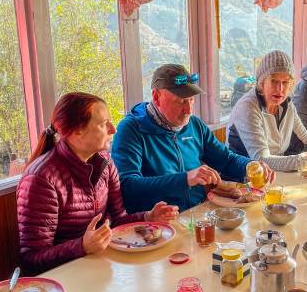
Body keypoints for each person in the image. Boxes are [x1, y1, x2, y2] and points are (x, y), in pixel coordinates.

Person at [17, 92, 179, 275]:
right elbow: (31, 260)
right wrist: (82, 246)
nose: (113, 129)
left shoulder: (105, 162)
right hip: (67, 278)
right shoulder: (41, 179)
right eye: (103, 124)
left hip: (104, 267)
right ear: (77, 131)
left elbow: (117, 220)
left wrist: (147, 217)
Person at [112, 64, 274, 212]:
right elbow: (128, 187)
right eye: (181, 101)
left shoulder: (195, 125)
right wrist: (186, 179)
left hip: (198, 213)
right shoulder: (131, 129)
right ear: (156, 97)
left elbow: (226, 160)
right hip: (156, 223)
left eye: (191, 100)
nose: (188, 110)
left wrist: (249, 165)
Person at [226, 50, 307, 172]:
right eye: (274, 81)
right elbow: (261, 159)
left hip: (274, 173)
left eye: (285, 82)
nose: (280, 89)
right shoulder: (248, 107)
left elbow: (306, 137)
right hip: (243, 178)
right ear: (261, 82)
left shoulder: (287, 104)